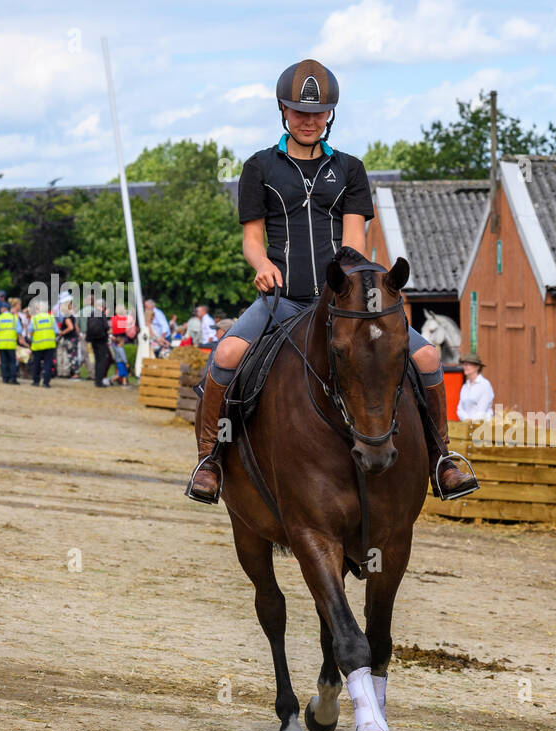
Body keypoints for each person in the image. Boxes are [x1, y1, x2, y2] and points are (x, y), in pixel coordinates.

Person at [185, 58, 478, 504]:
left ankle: (442, 458)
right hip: (280, 300)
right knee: (226, 352)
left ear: (330, 115)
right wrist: (261, 264)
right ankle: (209, 460)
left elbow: (354, 243)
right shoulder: (259, 167)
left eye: (318, 112)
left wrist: (352, 288)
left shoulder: (351, 169)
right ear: (283, 112)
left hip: (342, 304)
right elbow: (251, 239)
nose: (309, 120)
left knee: (427, 358)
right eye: (300, 112)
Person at [25, 302, 58, 387]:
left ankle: (36, 381)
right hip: (50, 344)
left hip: (37, 344)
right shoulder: (51, 318)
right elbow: (57, 331)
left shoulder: (34, 319)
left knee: (36, 363)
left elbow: (31, 331)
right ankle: (46, 382)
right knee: (48, 363)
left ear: (38, 309)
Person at [456, 353, 494, 421]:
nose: (465, 366)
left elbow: (482, 409)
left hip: (483, 427)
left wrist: (470, 421)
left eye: (468, 364)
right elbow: (460, 409)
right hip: (467, 426)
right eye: (464, 364)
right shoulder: (464, 386)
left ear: (477, 367)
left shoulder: (485, 385)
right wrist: (467, 420)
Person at [0, 298, 21, 384]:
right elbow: (19, 330)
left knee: (4, 361)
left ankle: (5, 378)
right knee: (12, 362)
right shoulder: (14, 318)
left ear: (3, 309)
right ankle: (13, 378)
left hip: (1, 343)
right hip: (11, 343)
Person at [85, 301, 112, 387]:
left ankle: (97, 380)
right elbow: (106, 327)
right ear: (103, 306)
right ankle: (99, 381)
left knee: (97, 360)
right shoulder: (101, 314)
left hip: (93, 341)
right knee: (102, 361)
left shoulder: (91, 314)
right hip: (101, 340)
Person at [56, 291, 82, 378]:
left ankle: (75, 373)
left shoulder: (67, 316)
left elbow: (70, 327)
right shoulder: (72, 315)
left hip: (70, 338)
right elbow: (75, 326)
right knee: (74, 355)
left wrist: (62, 332)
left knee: (71, 356)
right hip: (74, 337)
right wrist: (78, 334)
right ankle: (76, 372)